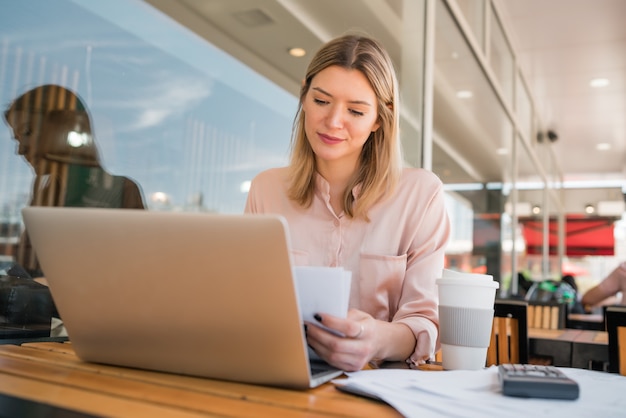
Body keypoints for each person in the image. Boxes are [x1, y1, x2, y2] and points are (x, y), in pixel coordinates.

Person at [245, 34, 450, 371]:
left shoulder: (421, 195)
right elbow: (247, 303)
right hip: (282, 377)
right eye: (321, 101)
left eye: (355, 110)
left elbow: (425, 323)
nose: (333, 121)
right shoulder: (266, 189)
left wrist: (376, 340)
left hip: (380, 387)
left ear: (379, 120)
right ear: (304, 97)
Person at [3, 84, 145, 277]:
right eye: (18, 139)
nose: (21, 150)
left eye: (27, 132)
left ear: (65, 129)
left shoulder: (121, 191)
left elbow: (136, 270)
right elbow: (26, 271)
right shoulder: (46, 195)